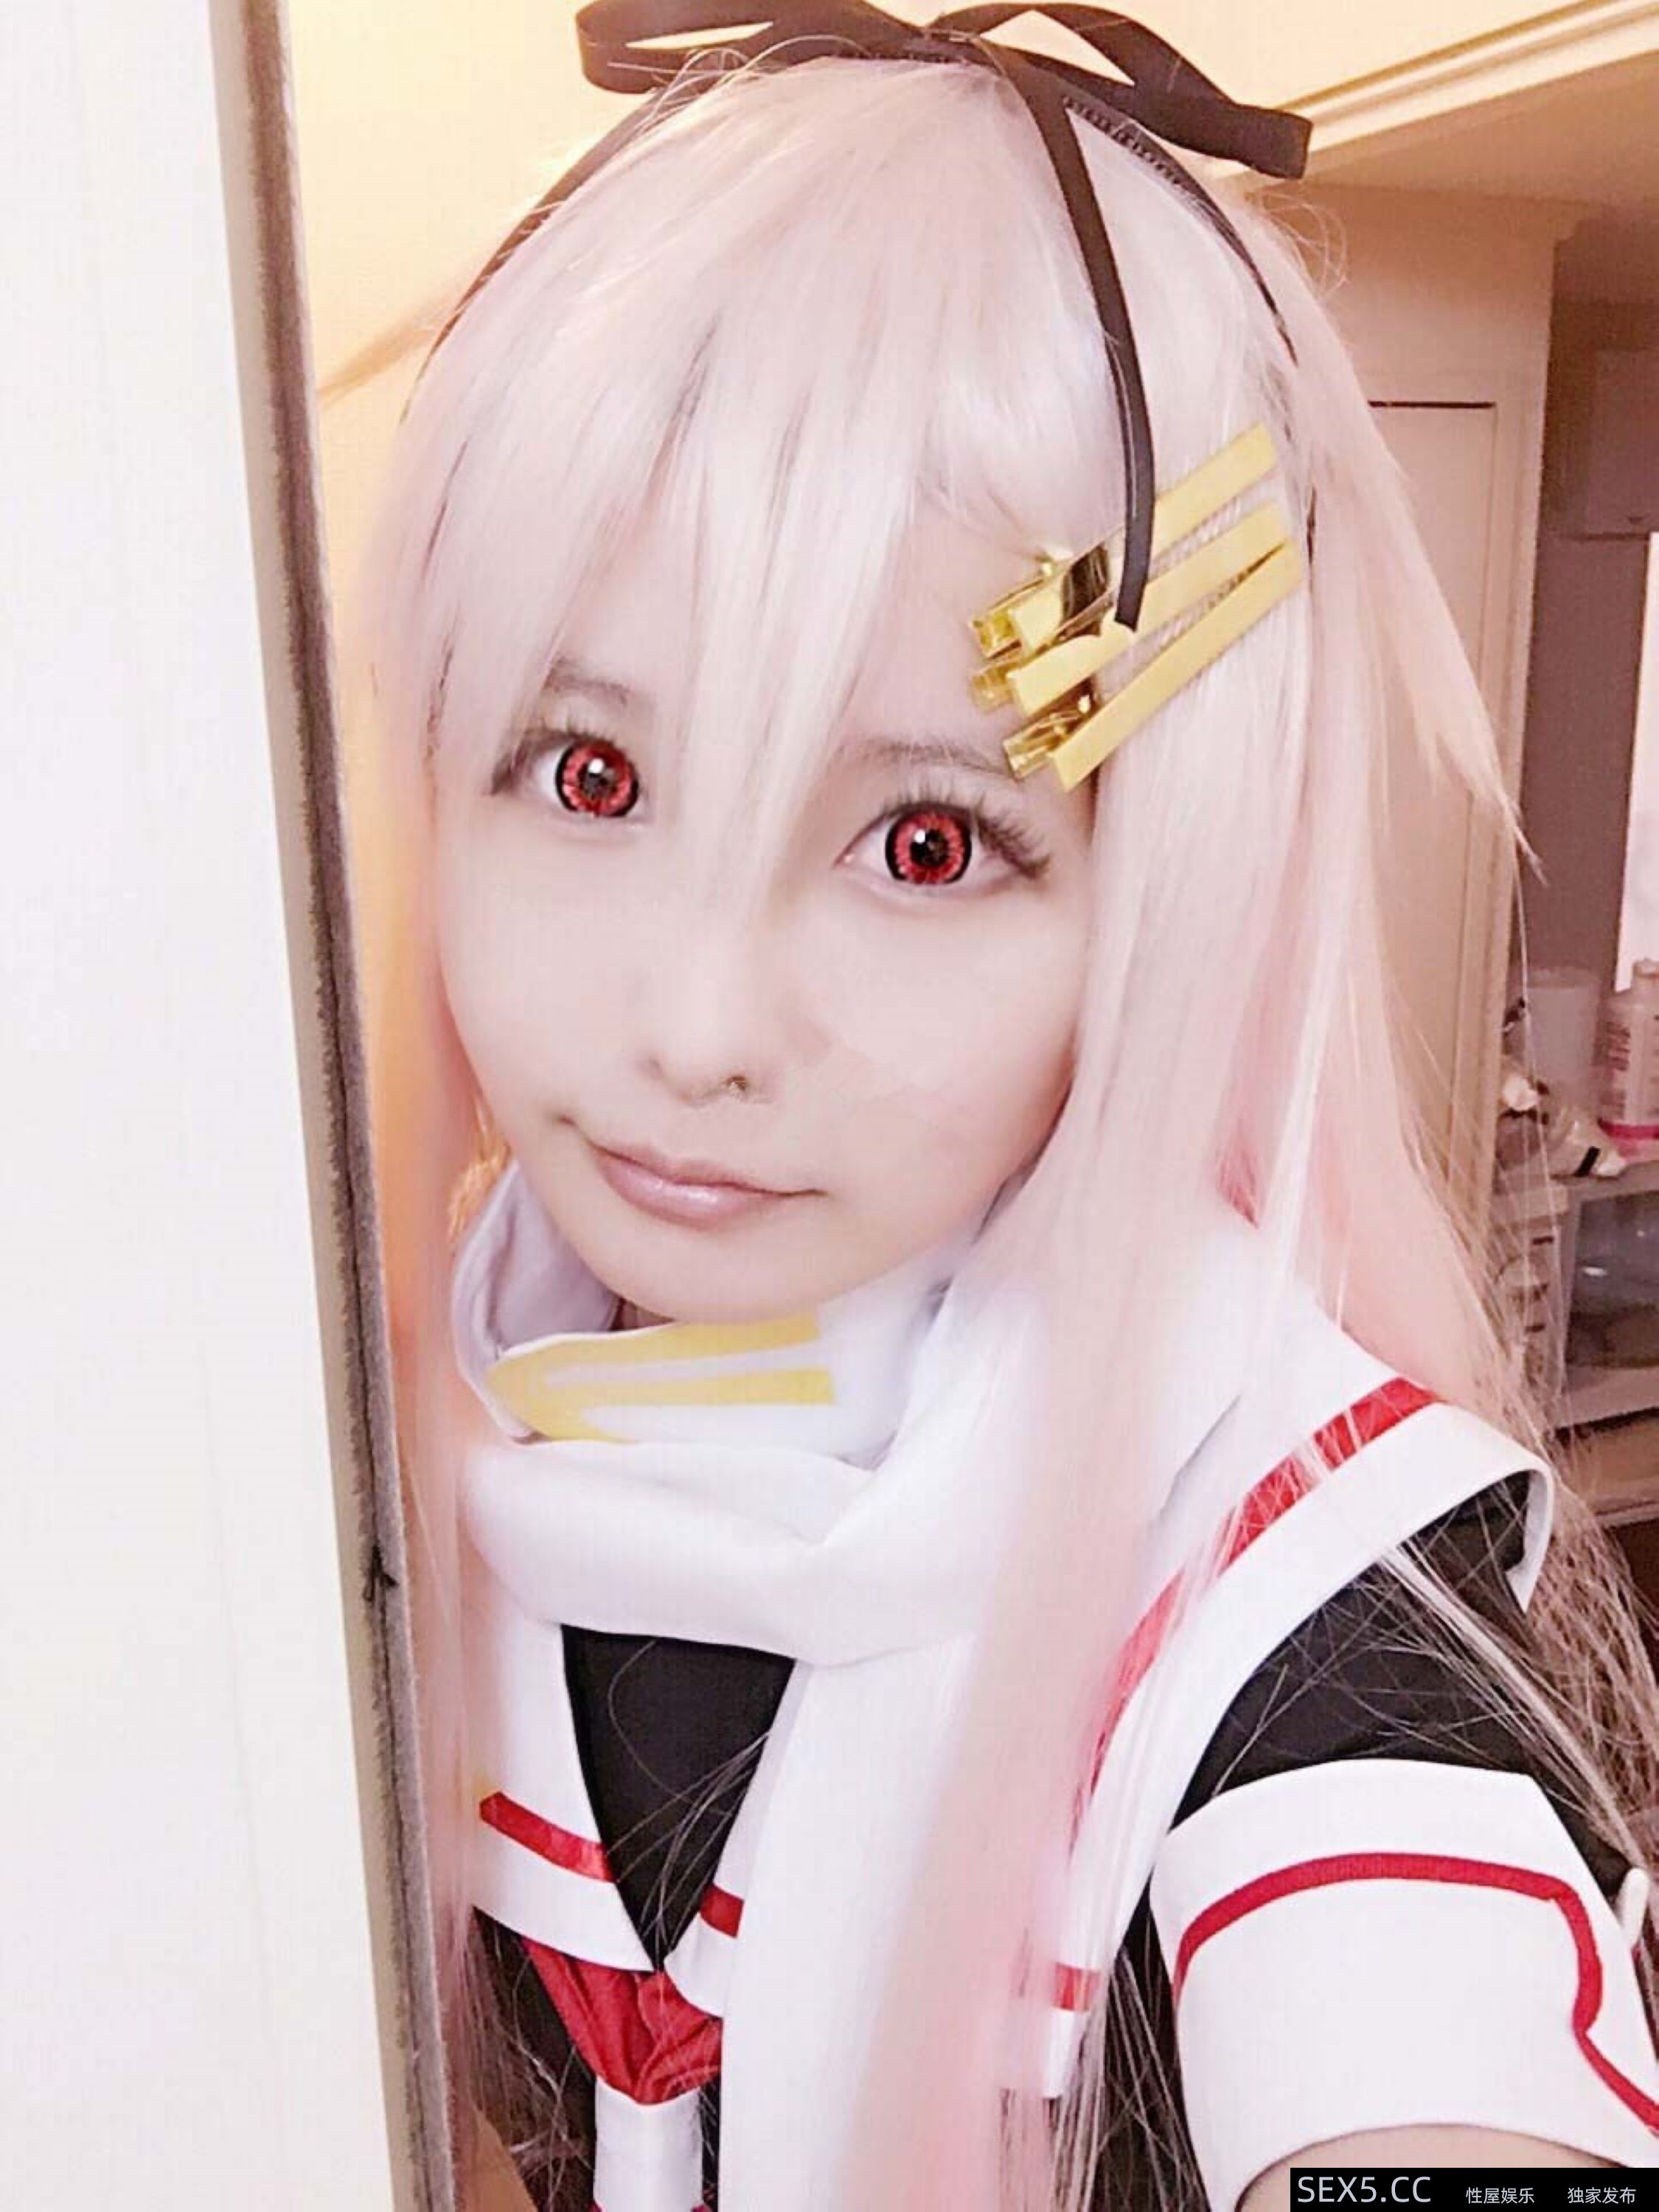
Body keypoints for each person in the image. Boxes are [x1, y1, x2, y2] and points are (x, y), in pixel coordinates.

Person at [355, 7, 1659, 2206]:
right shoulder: (394, 1423)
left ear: (1160, 897)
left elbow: (1419, 2018)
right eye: (589, 773)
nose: (702, 1026)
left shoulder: (1305, 1606)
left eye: (926, 842)